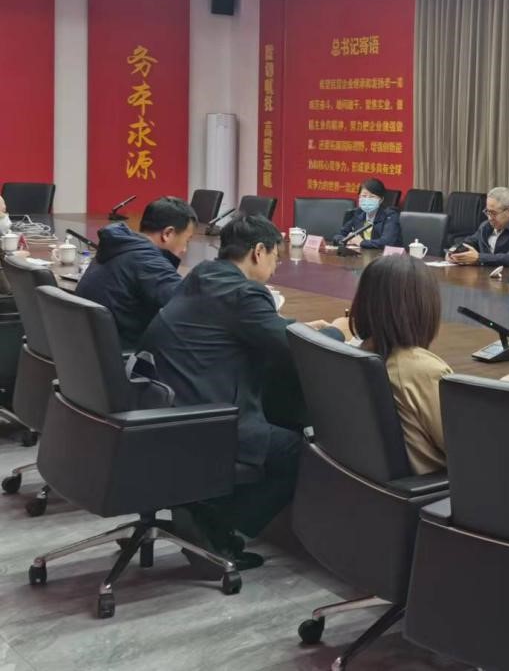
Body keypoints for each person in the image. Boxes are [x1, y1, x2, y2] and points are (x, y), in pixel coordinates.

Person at [141, 215, 348, 568]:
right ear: (258, 251)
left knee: (279, 410)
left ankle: (206, 508)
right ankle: (215, 522)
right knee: (305, 455)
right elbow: (297, 350)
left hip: (170, 409)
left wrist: (297, 326)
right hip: (208, 420)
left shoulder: (204, 275)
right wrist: (338, 332)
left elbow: (251, 328)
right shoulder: (245, 292)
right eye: (275, 257)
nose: (275, 266)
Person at [349, 254, 452, 475]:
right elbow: (470, 448)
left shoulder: (356, 353)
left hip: (367, 483)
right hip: (439, 489)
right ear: (423, 306)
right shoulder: (421, 370)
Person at [76, 196, 197, 350]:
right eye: (187, 240)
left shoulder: (118, 246)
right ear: (167, 233)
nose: (185, 249)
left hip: (86, 352)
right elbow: (188, 309)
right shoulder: (148, 262)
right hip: (122, 355)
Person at [447, 187, 509, 267]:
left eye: (493, 213)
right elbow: (469, 242)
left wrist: (479, 258)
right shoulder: (485, 226)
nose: (489, 218)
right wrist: (453, 252)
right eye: (487, 212)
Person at [326, 177, 401, 252]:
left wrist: (361, 242)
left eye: (372, 197)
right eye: (364, 196)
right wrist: (345, 240)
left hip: (382, 257)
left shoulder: (390, 216)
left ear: (381, 200)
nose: (367, 199)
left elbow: (387, 242)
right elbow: (338, 235)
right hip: (361, 255)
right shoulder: (358, 214)